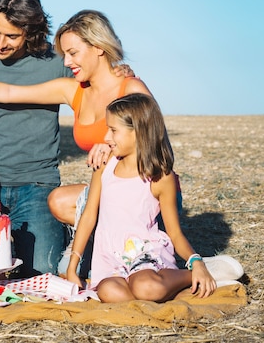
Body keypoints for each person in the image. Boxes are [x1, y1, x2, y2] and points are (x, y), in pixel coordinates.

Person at [0, 9, 149, 276]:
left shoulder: (131, 88)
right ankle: (88, 246)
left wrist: (112, 147)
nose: (66, 61)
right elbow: (8, 93)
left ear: (98, 47)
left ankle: (132, 245)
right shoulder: (73, 89)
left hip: (141, 191)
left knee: (47, 267)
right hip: (104, 190)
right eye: (65, 54)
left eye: (73, 53)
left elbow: (156, 148)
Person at [63, 93, 243, 302]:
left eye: (113, 130)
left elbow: (174, 233)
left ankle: (198, 272)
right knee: (110, 293)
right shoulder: (105, 165)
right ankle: (163, 286)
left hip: (145, 253)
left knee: (146, 287)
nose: (106, 138)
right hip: (110, 258)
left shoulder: (159, 178)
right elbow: (88, 216)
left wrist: (195, 261)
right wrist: (72, 266)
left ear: (138, 132)